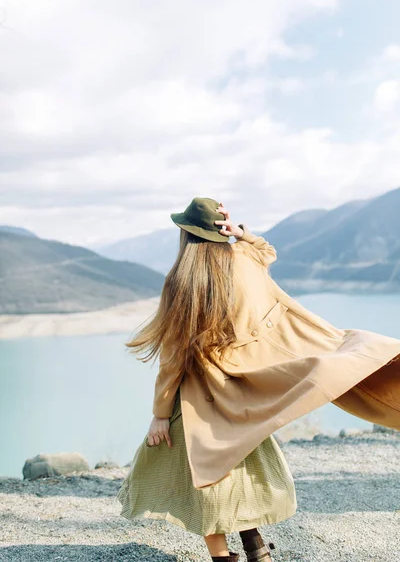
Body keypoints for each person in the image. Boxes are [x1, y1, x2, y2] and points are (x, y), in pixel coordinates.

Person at [117, 197, 400, 562]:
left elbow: (173, 356)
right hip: (246, 389)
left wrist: (159, 411)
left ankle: (224, 557)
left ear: (186, 234)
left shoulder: (181, 281)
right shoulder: (245, 259)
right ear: (221, 231)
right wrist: (243, 235)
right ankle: (256, 548)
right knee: (238, 465)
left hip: (203, 395)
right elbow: (268, 251)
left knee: (202, 476)